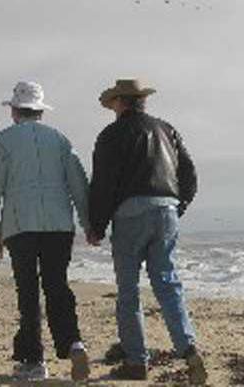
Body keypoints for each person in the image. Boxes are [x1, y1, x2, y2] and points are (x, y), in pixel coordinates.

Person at [88, 79, 206, 383]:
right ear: (141, 101)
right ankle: (188, 348)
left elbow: (103, 184)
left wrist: (96, 226)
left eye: (113, 102)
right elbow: (189, 175)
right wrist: (176, 208)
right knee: (168, 284)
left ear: (119, 102)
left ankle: (137, 362)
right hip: (166, 209)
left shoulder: (111, 135)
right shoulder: (167, 130)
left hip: (130, 213)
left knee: (128, 291)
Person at [0, 81, 91, 381]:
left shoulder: (3, 140)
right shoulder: (60, 139)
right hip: (59, 225)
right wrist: (88, 223)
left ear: (15, 111)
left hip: (20, 225)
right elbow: (78, 184)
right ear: (41, 111)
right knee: (57, 286)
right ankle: (73, 343)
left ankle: (34, 361)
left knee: (28, 292)